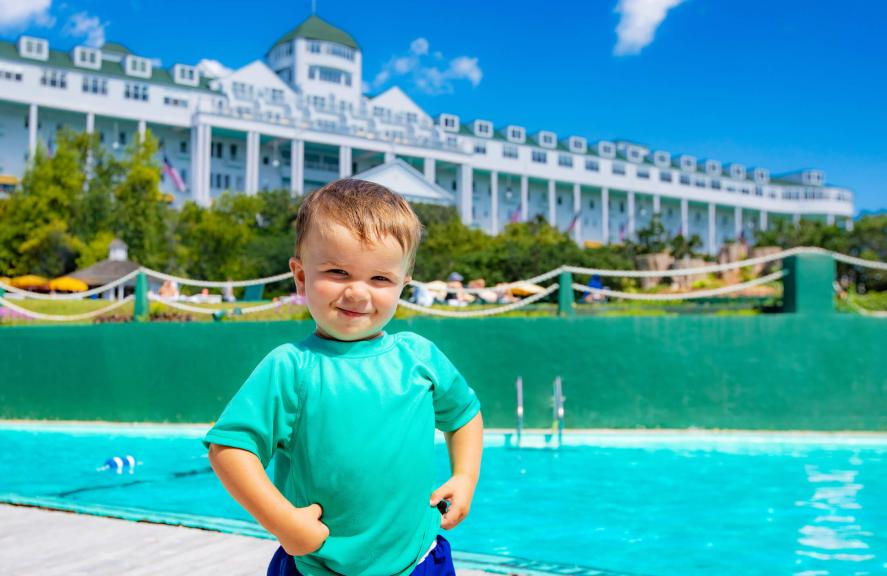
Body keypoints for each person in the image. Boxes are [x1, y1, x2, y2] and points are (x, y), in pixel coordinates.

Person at [204, 179, 484, 576]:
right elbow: (230, 449)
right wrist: (284, 523)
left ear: (403, 284)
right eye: (338, 272)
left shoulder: (419, 358)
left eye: (380, 279)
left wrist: (465, 476)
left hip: (420, 560)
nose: (357, 293)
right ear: (301, 276)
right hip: (318, 566)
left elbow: (464, 414)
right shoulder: (291, 367)